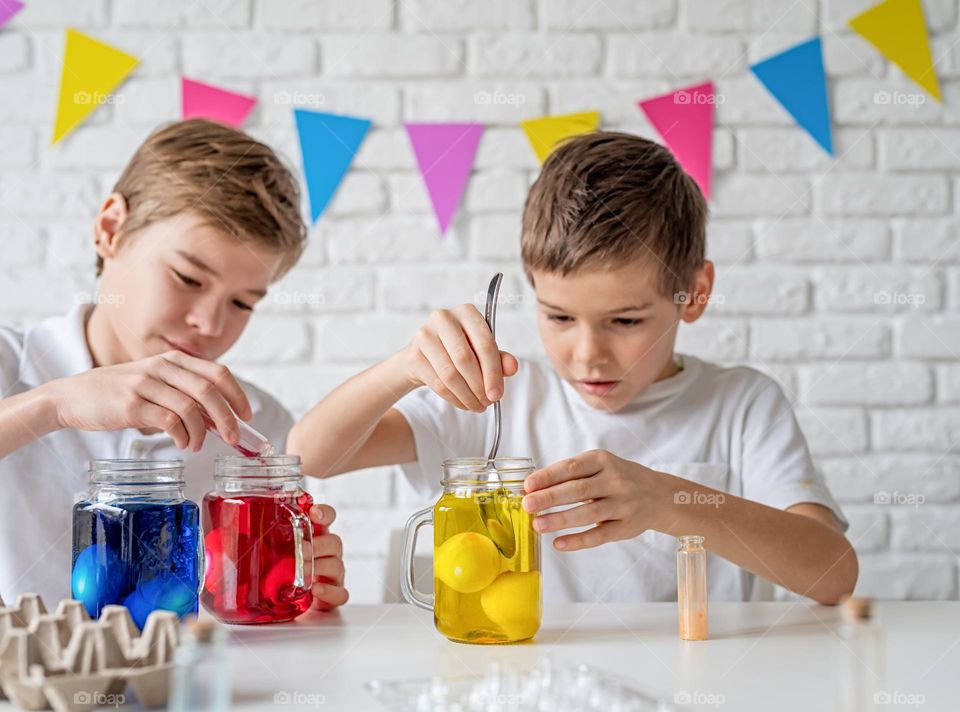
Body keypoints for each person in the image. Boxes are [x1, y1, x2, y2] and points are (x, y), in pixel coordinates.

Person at [288, 131, 857, 605]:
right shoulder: (498, 397)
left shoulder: (743, 404)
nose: (588, 355)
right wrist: (404, 369)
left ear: (695, 293)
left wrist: (668, 500)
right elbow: (309, 456)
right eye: (559, 316)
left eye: (626, 321)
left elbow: (833, 574)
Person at [0, 119, 347, 610]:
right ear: (110, 230)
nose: (209, 323)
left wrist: (293, 589)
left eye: (242, 303)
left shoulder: (256, 426)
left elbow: (240, 620)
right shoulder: (10, 366)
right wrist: (54, 405)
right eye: (187, 277)